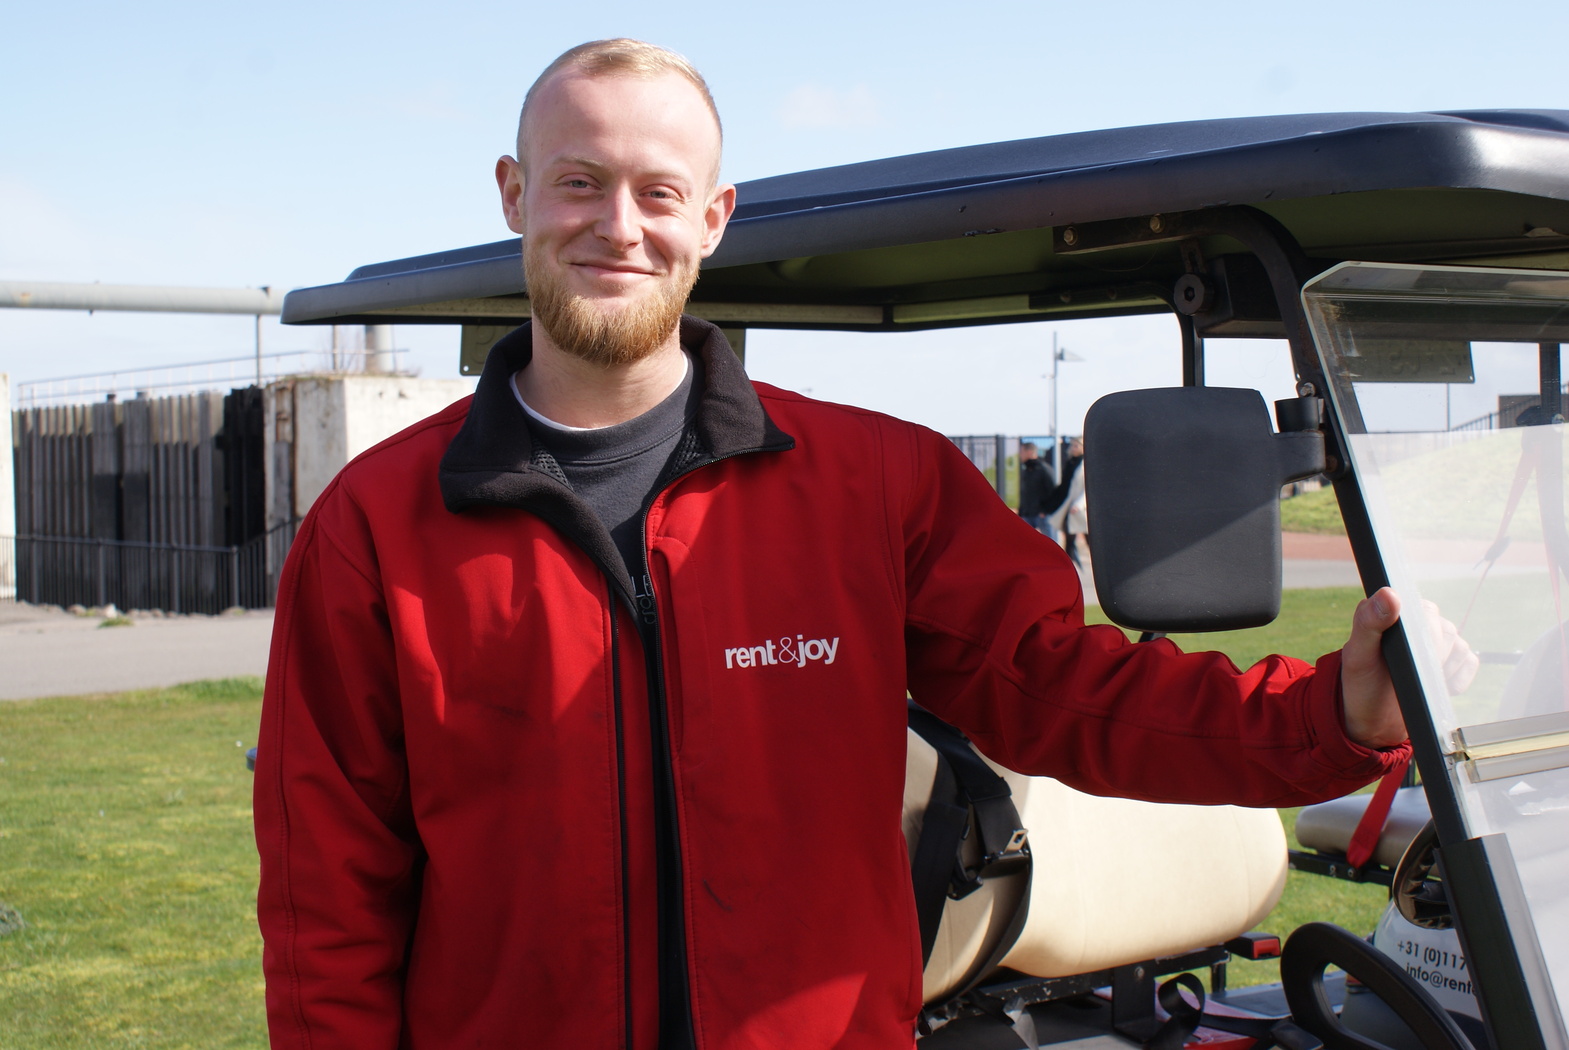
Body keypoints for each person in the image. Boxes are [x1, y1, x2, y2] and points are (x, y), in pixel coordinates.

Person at [254, 39, 1436, 1050]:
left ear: (713, 219)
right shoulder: (377, 527)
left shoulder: (877, 485)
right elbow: (329, 904)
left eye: (660, 192)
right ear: (515, 195)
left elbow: (1070, 693)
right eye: (579, 182)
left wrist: (1332, 714)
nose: (619, 226)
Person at [1047, 436, 1086, 567]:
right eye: (1072, 445)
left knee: (1089, 538)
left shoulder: (1086, 464)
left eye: (1076, 446)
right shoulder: (1071, 463)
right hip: (1070, 505)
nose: (1073, 448)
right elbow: (1065, 487)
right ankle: (1068, 565)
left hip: (1081, 508)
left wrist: (1079, 505)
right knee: (1069, 536)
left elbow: (1089, 489)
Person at [1016, 440, 1054, 533]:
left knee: (1048, 539)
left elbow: (1052, 492)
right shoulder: (1026, 470)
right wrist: (1021, 511)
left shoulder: (1043, 469)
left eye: (1021, 452)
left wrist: (1045, 511)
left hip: (1041, 514)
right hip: (1027, 513)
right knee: (1025, 539)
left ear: (1029, 452)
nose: (1020, 455)